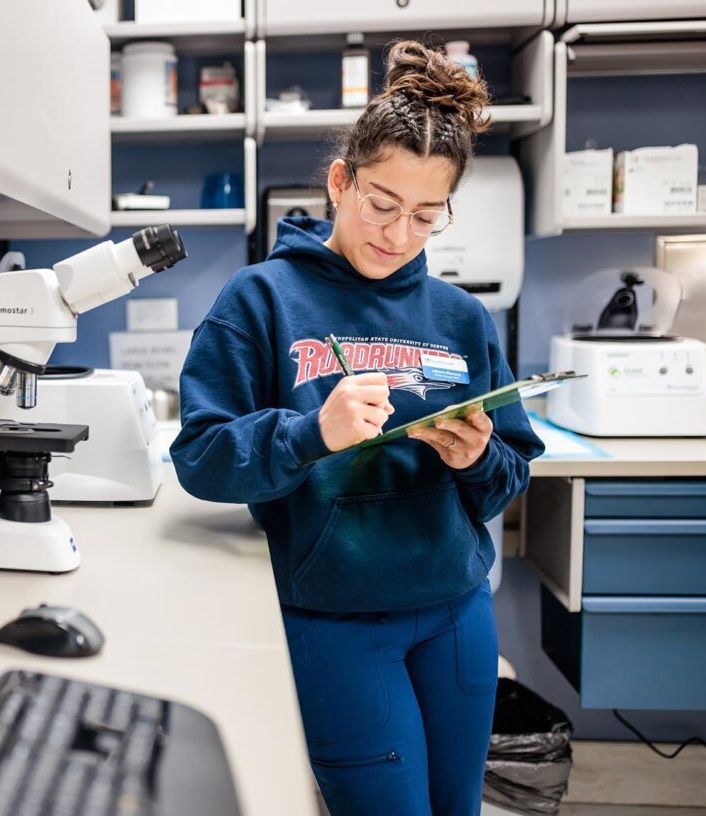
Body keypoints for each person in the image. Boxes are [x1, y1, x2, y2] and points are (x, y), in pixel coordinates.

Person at [170, 42, 544, 816]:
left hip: (456, 612)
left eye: (425, 216)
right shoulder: (260, 299)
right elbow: (201, 459)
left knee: (459, 809)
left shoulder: (463, 318)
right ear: (341, 182)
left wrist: (478, 457)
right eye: (381, 204)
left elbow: (510, 474)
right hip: (336, 621)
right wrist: (312, 433)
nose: (399, 234)